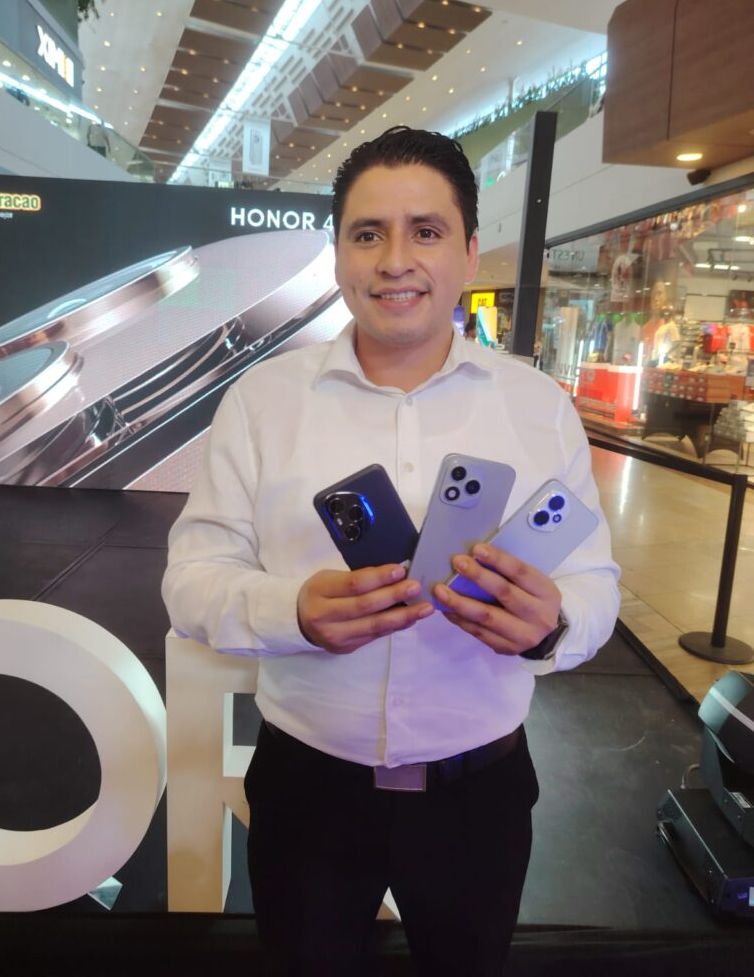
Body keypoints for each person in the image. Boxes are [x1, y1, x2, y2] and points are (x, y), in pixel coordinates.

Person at [162, 126, 620, 976]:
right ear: (338, 253)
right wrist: (292, 611)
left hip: (480, 796)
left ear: (470, 252)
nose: (395, 261)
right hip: (307, 793)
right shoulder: (262, 401)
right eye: (368, 234)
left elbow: (594, 581)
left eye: (426, 231)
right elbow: (190, 580)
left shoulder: (537, 406)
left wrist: (553, 625)